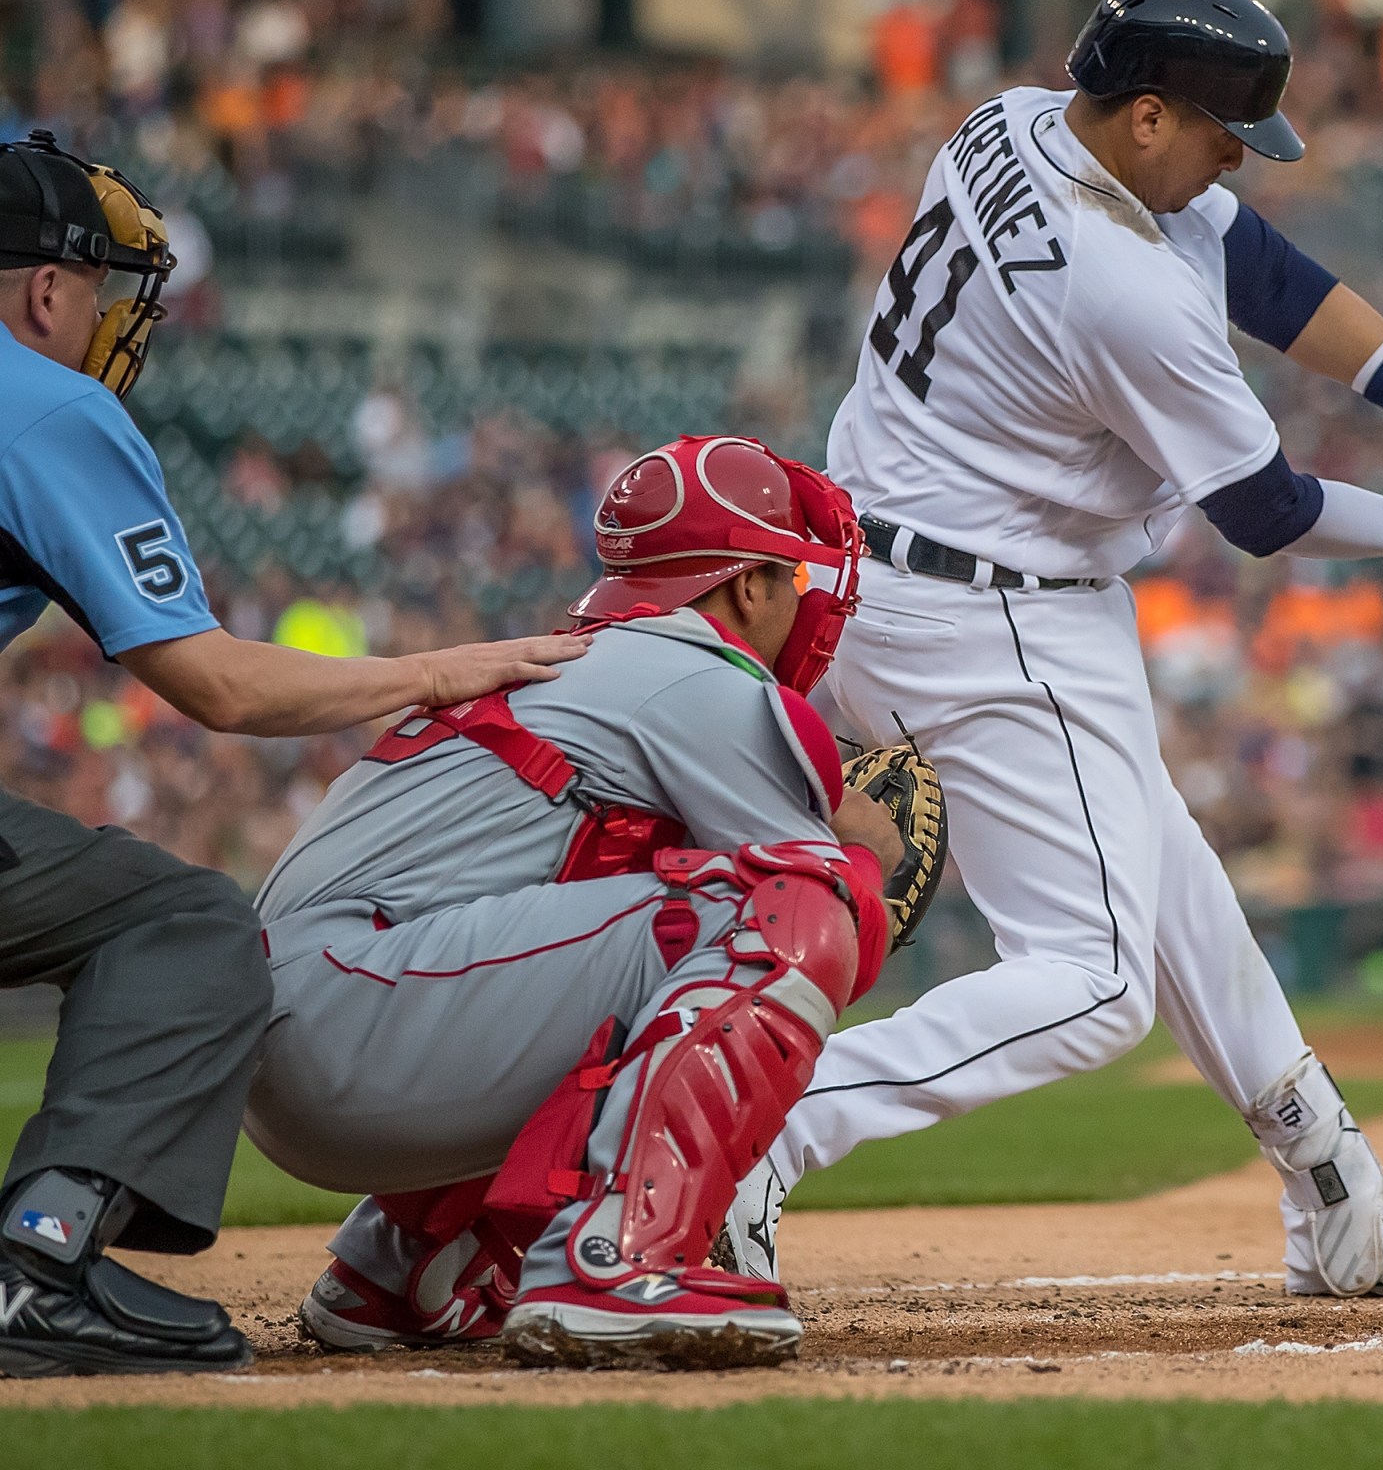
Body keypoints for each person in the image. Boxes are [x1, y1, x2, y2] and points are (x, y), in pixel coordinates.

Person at [720, 0, 1383, 1302]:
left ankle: (1342, 1197)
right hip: (991, 617)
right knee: (1094, 982)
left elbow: (1265, 269)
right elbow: (1269, 513)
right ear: (1152, 117)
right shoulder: (1122, 288)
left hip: (891, 569)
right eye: (1224, 134)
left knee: (1170, 885)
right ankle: (744, 1133)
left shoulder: (1013, 121)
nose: (1239, 161)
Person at [0, 131, 584, 1378]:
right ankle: (37, 1264)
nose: (104, 321)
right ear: (45, 289)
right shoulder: (40, 395)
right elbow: (213, 682)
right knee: (184, 925)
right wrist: (439, 667)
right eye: (96, 292)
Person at [243, 436, 901, 1369]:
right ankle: (619, 1259)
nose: (804, 602)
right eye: (790, 577)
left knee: (657, 924)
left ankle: (401, 1271)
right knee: (792, 904)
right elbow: (820, 899)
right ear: (748, 584)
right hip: (353, 1014)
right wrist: (870, 857)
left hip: (309, 1029)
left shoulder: (586, 661)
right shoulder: (700, 676)